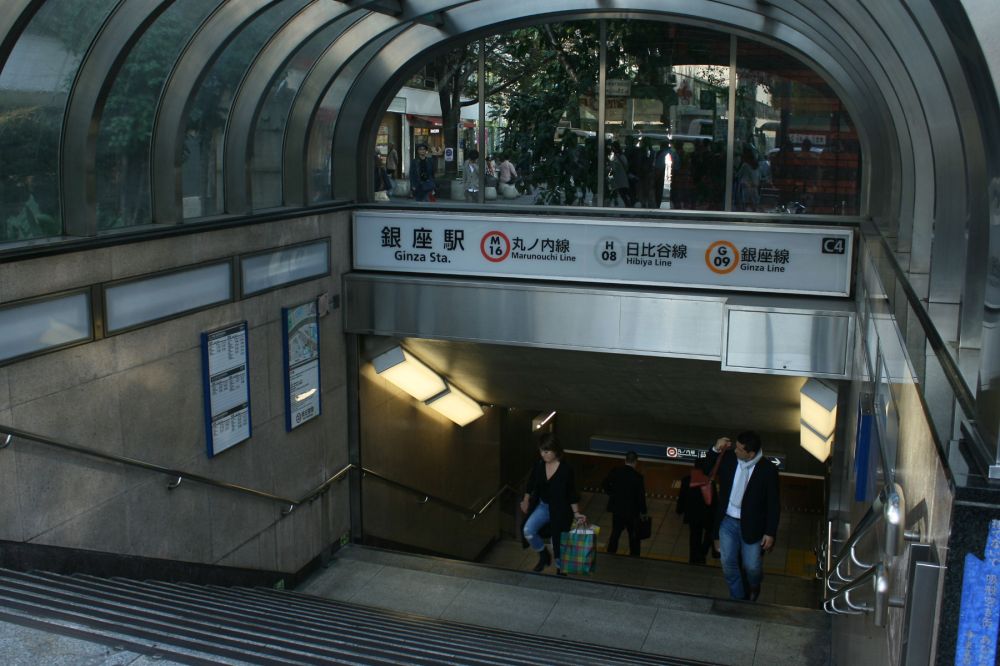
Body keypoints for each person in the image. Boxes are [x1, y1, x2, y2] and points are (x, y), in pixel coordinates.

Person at [705, 431, 780, 601]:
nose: (734, 450)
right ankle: (738, 598)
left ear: (750, 453)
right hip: (727, 522)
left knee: (752, 567)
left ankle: (754, 584)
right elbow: (705, 468)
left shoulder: (768, 470)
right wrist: (715, 449)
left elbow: (773, 504)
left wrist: (770, 532)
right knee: (728, 563)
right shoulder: (730, 458)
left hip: (753, 525)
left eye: (739, 449)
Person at [520, 433, 586, 575]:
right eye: (541, 451)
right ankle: (543, 555)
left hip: (561, 510)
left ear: (555, 451)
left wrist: (576, 513)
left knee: (557, 543)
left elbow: (571, 493)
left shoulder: (565, 469)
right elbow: (531, 482)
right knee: (528, 530)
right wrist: (526, 499)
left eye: (546, 451)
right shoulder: (539, 465)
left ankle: (560, 568)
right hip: (543, 506)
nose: (543, 454)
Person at [602, 450, 647, 557]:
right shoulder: (638, 477)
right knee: (633, 535)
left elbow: (605, 483)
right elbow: (641, 496)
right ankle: (634, 555)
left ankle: (611, 552)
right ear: (636, 462)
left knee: (615, 532)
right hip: (632, 511)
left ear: (625, 460)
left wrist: (612, 493)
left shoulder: (616, 471)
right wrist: (643, 511)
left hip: (617, 509)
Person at [677, 460, 715, 564]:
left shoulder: (686, 480)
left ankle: (693, 557)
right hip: (707, 515)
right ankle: (702, 553)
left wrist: (679, 510)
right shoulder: (709, 481)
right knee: (709, 533)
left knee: (694, 536)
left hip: (693, 514)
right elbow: (714, 500)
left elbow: (682, 497)